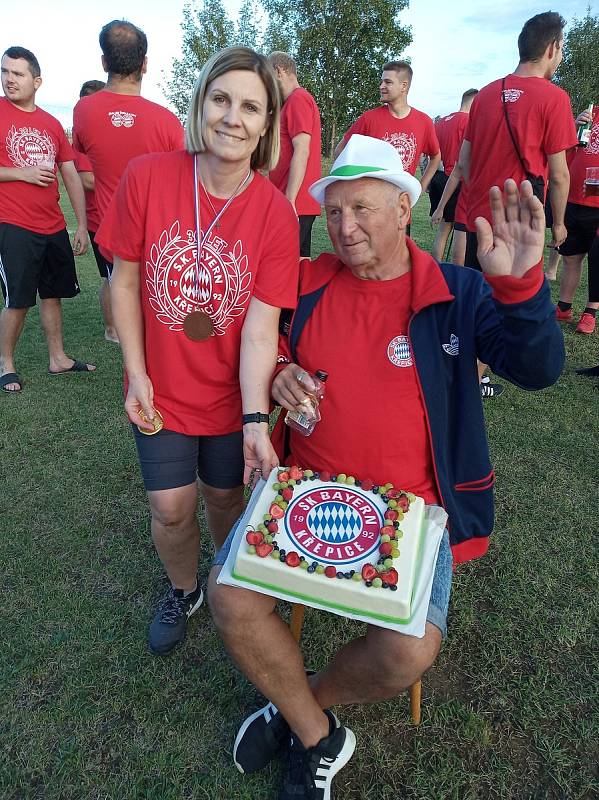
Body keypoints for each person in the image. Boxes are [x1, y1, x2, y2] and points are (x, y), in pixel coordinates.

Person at [208, 135, 564, 799]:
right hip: (305, 493)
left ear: (404, 209)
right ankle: (317, 733)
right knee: (228, 597)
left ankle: (299, 705)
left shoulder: (454, 291)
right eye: (334, 212)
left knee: (408, 651)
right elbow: (267, 341)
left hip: (413, 510)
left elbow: (537, 369)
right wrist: (282, 371)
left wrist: (518, 287)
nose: (343, 227)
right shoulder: (308, 283)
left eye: (362, 209)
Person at [95, 46, 299, 656]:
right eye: (221, 99)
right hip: (159, 388)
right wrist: (135, 373)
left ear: (267, 125)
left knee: (223, 497)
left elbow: (262, 330)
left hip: (229, 395)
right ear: (201, 103)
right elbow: (124, 281)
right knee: (170, 507)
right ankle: (185, 589)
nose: (233, 117)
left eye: (250, 107)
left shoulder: (274, 215)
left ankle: (226, 574)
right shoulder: (149, 176)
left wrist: (255, 419)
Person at [433, 11, 577, 397]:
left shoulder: (485, 95)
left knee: (477, 295)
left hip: (478, 214)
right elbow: (560, 174)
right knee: (507, 306)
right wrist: (559, 224)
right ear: (552, 49)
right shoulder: (554, 98)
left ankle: (459, 364)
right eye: (561, 49)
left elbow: (462, 163)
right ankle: (472, 375)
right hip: (517, 224)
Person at [72, 19, 184, 340]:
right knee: (150, 296)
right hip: (152, 230)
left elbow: (83, 160)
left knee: (112, 281)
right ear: (145, 64)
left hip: (105, 227)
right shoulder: (166, 121)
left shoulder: (84, 111)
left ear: (104, 62)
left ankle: (113, 331)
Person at [0, 46, 95, 394]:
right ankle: (5, 364)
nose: (10, 79)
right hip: (12, 222)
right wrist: (20, 173)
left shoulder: (51, 123)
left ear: (36, 81)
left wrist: (82, 224)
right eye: (5, 72)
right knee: (19, 299)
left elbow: (69, 174)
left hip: (53, 224)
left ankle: (58, 359)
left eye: (18, 73)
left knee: (53, 295)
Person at [334, 61, 440, 194]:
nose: (381, 86)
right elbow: (340, 150)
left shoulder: (424, 122)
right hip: (370, 202)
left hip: (400, 205)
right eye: (382, 82)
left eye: (388, 82)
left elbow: (435, 157)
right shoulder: (369, 119)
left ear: (404, 86)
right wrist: (351, 182)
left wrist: (420, 187)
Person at [72, 79, 117, 342]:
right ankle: (112, 329)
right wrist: (127, 181)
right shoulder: (84, 141)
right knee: (113, 278)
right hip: (100, 220)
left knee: (116, 277)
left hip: (118, 218)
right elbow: (87, 179)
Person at [268, 52, 321, 258]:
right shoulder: (291, 102)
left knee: (280, 262)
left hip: (295, 201)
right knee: (300, 262)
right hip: (296, 201)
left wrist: (289, 200)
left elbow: (302, 149)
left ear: (279, 71)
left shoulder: (298, 99)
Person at [555, 105, 599, 334]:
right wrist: (573, 127)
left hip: (598, 204)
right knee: (572, 257)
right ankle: (564, 307)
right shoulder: (591, 114)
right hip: (574, 198)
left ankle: (590, 312)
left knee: (597, 259)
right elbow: (565, 152)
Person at [430, 89, 478, 261]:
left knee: (444, 228)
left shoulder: (441, 122)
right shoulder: (468, 122)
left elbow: (432, 153)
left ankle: (437, 265)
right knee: (460, 228)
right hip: (455, 179)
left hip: (438, 177)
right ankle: (455, 269)